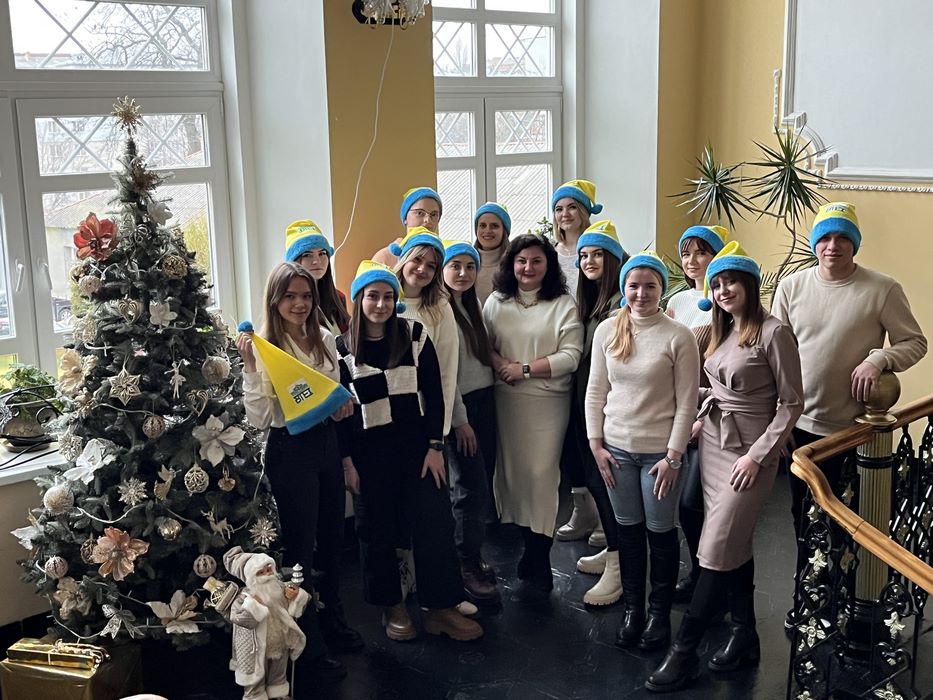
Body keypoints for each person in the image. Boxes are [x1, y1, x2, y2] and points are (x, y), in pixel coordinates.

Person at [646, 242, 803, 693]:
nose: (723, 290)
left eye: (731, 281)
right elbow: (716, 388)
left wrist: (758, 455)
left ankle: (684, 652)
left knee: (716, 546)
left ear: (749, 284)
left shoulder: (774, 332)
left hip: (750, 451)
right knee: (733, 542)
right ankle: (745, 633)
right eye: (716, 284)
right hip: (714, 442)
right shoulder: (722, 329)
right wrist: (692, 410)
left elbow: (792, 403)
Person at [770, 201, 927, 621]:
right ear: (814, 243)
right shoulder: (791, 287)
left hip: (853, 432)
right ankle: (808, 596)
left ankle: (846, 601)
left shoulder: (882, 289)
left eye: (842, 238)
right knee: (804, 519)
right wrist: (777, 421)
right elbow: (774, 358)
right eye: (824, 237)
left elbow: (915, 342)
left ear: (854, 244)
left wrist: (879, 358)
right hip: (802, 429)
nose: (833, 245)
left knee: (849, 522)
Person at [336, 261, 483, 642]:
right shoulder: (342, 349)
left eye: (388, 296)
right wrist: (347, 462)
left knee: (435, 524)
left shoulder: (415, 336)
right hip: (369, 457)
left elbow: (435, 394)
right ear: (359, 300)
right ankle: (393, 606)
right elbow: (341, 416)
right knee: (377, 531)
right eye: (372, 296)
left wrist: (435, 446)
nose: (381, 304)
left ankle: (441, 608)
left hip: (418, 452)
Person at [236, 262, 352, 681]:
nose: (300, 304)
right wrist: (251, 367)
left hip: (327, 444)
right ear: (274, 300)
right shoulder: (266, 347)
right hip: (290, 451)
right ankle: (308, 643)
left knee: (333, 540)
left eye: (305, 295)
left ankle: (333, 618)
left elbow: (334, 394)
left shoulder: (324, 338)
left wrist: (341, 405)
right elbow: (260, 419)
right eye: (290, 296)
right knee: (301, 548)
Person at [585, 252, 699, 652]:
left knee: (660, 532)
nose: (641, 293)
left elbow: (687, 404)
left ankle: (658, 614)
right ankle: (633, 610)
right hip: (615, 451)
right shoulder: (607, 330)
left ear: (661, 290)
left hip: (659, 457)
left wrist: (673, 457)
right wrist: (595, 444)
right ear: (624, 288)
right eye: (633, 285)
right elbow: (596, 390)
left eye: (650, 286)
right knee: (628, 532)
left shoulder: (678, 335)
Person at [483, 234, 583, 603]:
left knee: (541, 475)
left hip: (547, 400)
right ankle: (528, 547)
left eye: (536, 261)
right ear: (511, 264)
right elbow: (484, 343)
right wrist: (502, 365)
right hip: (506, 399)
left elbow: (571, 355)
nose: (528, 267)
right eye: (521, 260)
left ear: (549, 265)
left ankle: (540, 554)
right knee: (513, 476)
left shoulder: (563, 304)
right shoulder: (496, 302)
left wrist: (524, 369)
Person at [665, 225, 728, 603]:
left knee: (697, 504)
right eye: (686, 253)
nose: (692, 261)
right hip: (679, 412)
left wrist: (702, 418)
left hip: (713, 417)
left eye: (701, 252)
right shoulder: (678, 300)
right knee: (684, 506)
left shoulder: (726, 301)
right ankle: (700, 575)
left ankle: (713, 581)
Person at [569, 220, 627, 607]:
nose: (589, 261)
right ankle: (613, 552)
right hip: (585, 407)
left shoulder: (621, 306)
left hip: (609, 412)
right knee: (594, 481)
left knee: (607, 485)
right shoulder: (590, 304)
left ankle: (620, 567)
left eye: (598, 254)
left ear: (614, 259)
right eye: (584, 255)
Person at [443, 240, 500, 604]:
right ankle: (464, 564)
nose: (463, 273)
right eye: (455, 266)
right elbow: (446, 375)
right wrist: (460, 420)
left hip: (484, 400)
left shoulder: (471, 303)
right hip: (460, 408)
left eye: (469, 266)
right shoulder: (441, 311)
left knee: (480, 484)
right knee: (468, 487)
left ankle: (472, 555)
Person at [550, 179, 605, 543]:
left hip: (590, 350)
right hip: (558, 349)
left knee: (592, 432)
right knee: (569, 434)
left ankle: (605, 516)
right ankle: (582, 510)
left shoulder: (600, 248)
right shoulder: (549, 253)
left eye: (572, 207)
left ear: (585, 211)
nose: (565, 214)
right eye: (559, 208)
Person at [224, 546, 311, 700]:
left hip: (280, 640)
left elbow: (295, 606)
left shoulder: (279, 588)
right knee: (255, 677)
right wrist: (253, 606)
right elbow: (238, 618)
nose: (267, 575)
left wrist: (295, 596)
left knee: (278, 673)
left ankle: (279, 695)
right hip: (255, 646)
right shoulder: (244, 598)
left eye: (269, 570)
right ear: (252, 577)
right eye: (261, 572)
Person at [285, 219, 351, 334]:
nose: (317, 261)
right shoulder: (286, 302)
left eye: (322, 253)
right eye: (307, 255)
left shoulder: (338, 298)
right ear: (294, 262)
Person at [373, 187, 443, 267]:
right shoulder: (385, 257)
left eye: (434, 215)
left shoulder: (443, 257)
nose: (428, 220)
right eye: (420, 213)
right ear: (405, 218)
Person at [472, 201, 511, 304]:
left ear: (504, 231)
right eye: (482, 225)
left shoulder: (514, 264)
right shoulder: (466, 263)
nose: (488, 231)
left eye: (494, 226)